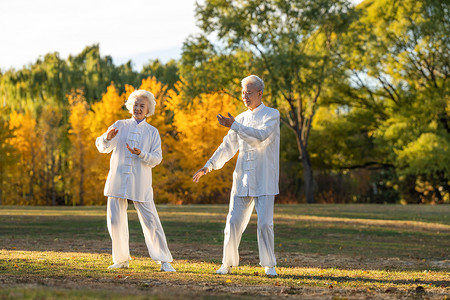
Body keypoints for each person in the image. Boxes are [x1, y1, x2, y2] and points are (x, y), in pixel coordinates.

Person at [193, 75, 280, 276]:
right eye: (242, 92)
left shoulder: (271, 115)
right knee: (232, 222)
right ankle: (227, 263)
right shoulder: (239, 119)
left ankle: (269, 265)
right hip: (242, 179)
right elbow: (227, 147)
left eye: (249, 92)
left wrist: (234, 125)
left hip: (264, 178)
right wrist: (208, 166)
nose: (245, 96)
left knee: (265, 223)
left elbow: (261, 138)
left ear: (260, 93)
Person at [96, 90, 176, 272]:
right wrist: (106, 138)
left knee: (151, 221)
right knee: (115, 222)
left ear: (148, 110)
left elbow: (157, 159)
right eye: (135, 104)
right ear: (130, 106)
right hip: (117, 180)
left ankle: (164, 260)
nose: (138, 108)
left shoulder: (152, 132)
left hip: (141, 183)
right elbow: (102, 147)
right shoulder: (120, 125)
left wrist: (142, 154)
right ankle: (121, 259)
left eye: (142, 106)